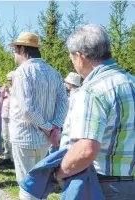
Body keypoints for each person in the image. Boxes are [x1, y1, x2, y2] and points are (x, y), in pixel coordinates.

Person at [52, 24, 135, 200]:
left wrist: (60, 173)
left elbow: (86, 149)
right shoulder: (132, 82)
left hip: (100, 186)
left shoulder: (93, 90)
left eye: (72, 59)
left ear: (80, 57)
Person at [8, 32, 69, 195]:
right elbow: (63, 102)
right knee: (40, 184)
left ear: (22, 50)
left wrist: (50, 128)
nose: (14, 54)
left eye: (15, 50)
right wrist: (55, 127)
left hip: (25, 137)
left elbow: (27, 108)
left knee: (27, 185)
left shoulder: (22, 72)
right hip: (45, 140)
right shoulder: (53, 72)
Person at [0, 71, 14, 163]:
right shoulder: (7, 90)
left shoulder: (15, 90)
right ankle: (7, 154)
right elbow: (0, 102)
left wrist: (9, 92)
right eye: (8, 80)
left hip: (12, 116)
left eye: (10, 80)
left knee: (11, 136)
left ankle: (13, 156)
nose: (9, 82)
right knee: (5, 136)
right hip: (4, 115)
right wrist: (2, 93)